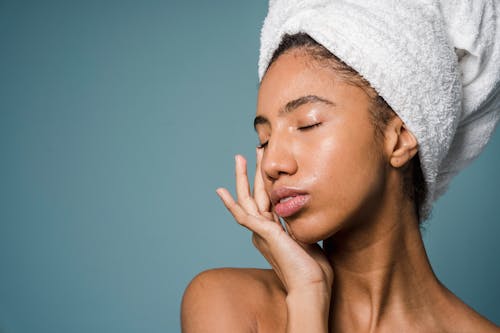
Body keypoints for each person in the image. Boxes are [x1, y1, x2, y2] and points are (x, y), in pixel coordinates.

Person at [181, 1, 500, 332]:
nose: (273, 163)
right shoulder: (228, 304)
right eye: (264, 140)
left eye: (307, 124)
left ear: (401, 137)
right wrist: (308, 295)